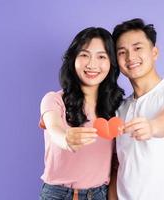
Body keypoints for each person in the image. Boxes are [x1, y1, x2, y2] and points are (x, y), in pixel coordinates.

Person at [108, 18, 164, 200]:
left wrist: (153, 127)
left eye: (137, 48)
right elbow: (117, 166)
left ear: (154, 52)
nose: (130, 57)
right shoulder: (120, 109)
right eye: (122, 52)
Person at [39, 27, 124, 200]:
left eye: (101, 56)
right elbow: (54, 127)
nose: (92, 64)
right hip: (57, 194)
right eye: (84, 55)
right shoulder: (54, 100)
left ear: (111, 63)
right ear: (73, 59)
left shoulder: (116, 107)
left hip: (99, 194)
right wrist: (66, 139)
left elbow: (117, 160)